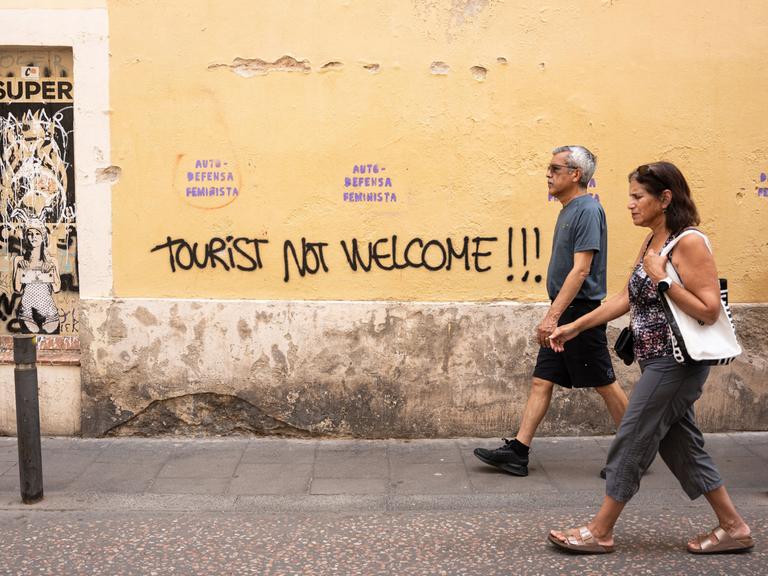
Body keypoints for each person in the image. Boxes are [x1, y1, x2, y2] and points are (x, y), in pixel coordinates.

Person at [547, 161, 753, 554]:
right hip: (656, 360)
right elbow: (626, 298)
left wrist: (662, 279)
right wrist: (576, 326)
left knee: (633, 435)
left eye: (638, 196)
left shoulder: (689, 242)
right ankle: (734, 527)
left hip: (677, 362)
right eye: (630, 196)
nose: (630, 204)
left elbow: (709, 310)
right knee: (681, 445)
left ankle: (600, 530)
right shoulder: (652, 241)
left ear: (665, 198)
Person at [473, 146, 629, 477]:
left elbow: (581, 270)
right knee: (542, 381)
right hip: (565, 308)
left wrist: (553, 317)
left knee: (604, 382)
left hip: (578, 312)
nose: (548, 174)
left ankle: (634, 453)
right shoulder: (569, 209)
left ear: (575, 174)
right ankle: (518, 451)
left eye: (555, 168)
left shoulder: (587, 210)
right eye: (549, 168)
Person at [12, 219, 61, 334]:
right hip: (27, 311)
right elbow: (17, 289)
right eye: (30, 234)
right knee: (30, 343)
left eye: (37, 233)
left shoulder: (52, 261)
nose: (33, 236)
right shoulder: (19, 260)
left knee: (49, 341)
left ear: (43, 236)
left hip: (49, 312)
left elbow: (57, 288)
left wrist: (51, 269)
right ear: (26, 237)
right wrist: (20, 268)